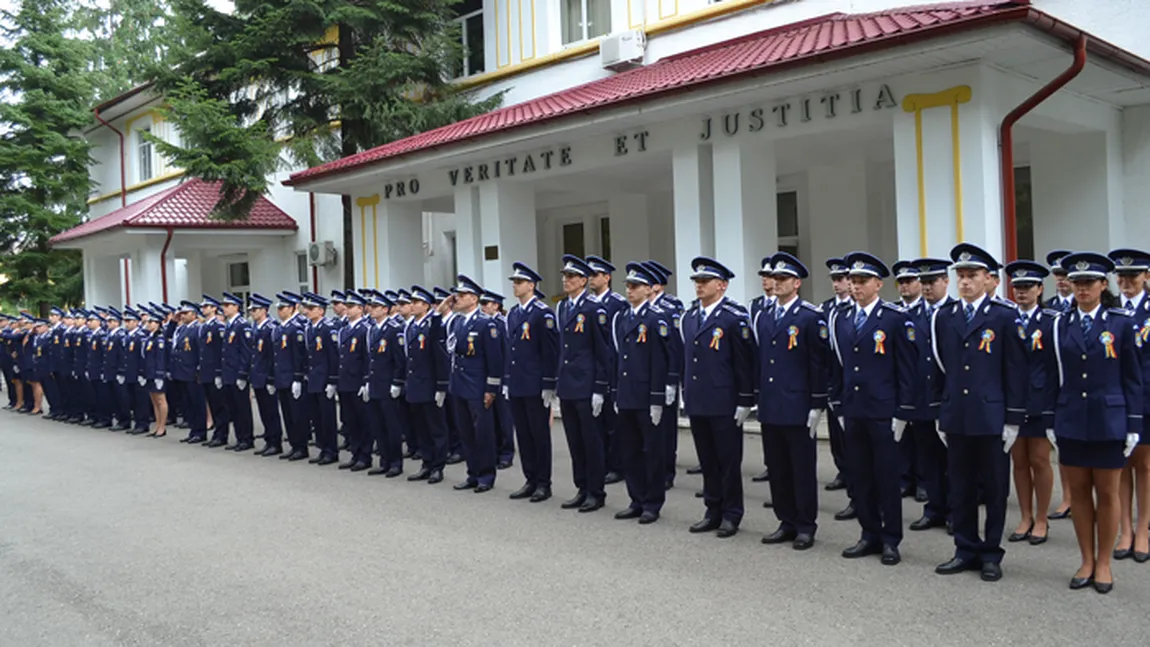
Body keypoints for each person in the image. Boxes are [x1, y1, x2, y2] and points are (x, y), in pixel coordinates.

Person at [931, 243, 1026, 582]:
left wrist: (1013, 418)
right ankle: (965, 548)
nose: (966, 282)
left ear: (989, 279)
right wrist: (942, 411)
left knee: (995, 488)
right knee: (960, 486)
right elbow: (942, 368)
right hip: (957, 414)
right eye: (962, 276)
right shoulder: (946, 316)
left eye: (972, 276)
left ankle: (991, 553)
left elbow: (1015, 370)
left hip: (991, 416)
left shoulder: (1004, 315)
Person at [1049, 252, 1142, 594]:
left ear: (1104, 284)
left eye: (1089, 283)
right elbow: (1051, 373)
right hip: (1071, 418)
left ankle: (1104, 562)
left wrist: (1133, 423)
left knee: (1107, 492)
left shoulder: (1121, 323)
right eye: (1077, 283)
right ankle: (1086, 559)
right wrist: (1050, 420)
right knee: (1080, 495)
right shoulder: (1059, 323)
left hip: (1109, 419)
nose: (1082, 289)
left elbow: (1132, 378)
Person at [829, 251, 915, 566]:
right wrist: (838, 404)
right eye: (852, 281)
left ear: (878, 284)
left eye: (862, 281)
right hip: (854, 411)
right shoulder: (843, 318)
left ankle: (891, 539)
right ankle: (868, 533)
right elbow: (839, 365)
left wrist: (903, 412)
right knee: (860, 475)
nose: (855, 287)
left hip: (883, 411)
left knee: (886, 478)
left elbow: (906, 369)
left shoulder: (893, 319)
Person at [755, 252, 829, 550]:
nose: (777, 283)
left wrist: (816, 404)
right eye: (775, 279)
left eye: (783, 279)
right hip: (772, 404)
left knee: (801, 468)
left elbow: (818, 363)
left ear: (796, 283)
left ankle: (805, 524)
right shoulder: (764, 315)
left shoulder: (809, 317)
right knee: (778, 467)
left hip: (798, 404)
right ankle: (785, 520)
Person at [682, 257, 754, 539]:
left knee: (727, 461)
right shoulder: (690, 317)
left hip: (724, 401)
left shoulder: (734, 317)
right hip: (699, 400)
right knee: (708, 460)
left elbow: (744, 362)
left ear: (721, 285)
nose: (699, 286)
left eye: (704, 282)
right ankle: (712, 510)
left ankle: (732, 513)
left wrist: (745, 399)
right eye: (696, 282)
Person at [611, 262, 671, 524]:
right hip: (627, 395)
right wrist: (616, 393)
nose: (630, 290)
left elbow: (662, 360)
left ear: (648, 289)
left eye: (635, 286)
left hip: (647, 396)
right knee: (630, 450)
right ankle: (636, 498)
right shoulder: (623, 317)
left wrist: (658, 398)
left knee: (652, 451)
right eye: (628, 286)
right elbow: (618, 358)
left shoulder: (657, 318)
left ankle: (652, 502)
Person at [1003, 260, 1058, 547]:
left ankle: (1041, 518)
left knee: (1040, 460)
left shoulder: (1051, 321)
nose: (1021, 292)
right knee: (1020, 461)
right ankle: (1025, 516)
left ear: (1040, 289)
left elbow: (1055, 366)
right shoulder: (1006, 319)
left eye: (1027, 287)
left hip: (1040, 400)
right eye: (1017, 287)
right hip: (1013, 400)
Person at [555, 255, 614, 512]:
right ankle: (582, 487)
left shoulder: (593, 308)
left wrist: (600, 387)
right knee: (575, 442)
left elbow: (604, 352)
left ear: (583, 280)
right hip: (569, 385)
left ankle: (596, 491)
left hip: (587, 385)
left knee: (592, 442)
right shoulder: (563, 308)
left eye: (571, 277)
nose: (566, 281)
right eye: (564, 277)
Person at [906, 258, 954, 533]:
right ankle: (934, 508)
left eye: (932, 282)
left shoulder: (954, 312)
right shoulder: (911, 315)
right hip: (920, 397)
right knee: (927, 458)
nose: (926, 288)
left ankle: (954, 511)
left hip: (947, 398)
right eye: (923, 282)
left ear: (945, 281)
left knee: (952, 462)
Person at [505, 262, 560, 503]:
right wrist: (507, 380)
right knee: (524, 435)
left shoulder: (542, 313)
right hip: (517, 383)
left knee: (539, 435)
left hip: (536, 384)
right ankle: (530, 479)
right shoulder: (513, 313)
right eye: (514, 283)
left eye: (519, 282)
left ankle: (543, 483)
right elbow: (510, 350)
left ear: (531, 285)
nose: (515, 287)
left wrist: (549, 384)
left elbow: (550, 352)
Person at [1108, 249, 1150, 563]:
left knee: (1145, 466)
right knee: (1120, 465)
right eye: (1121, 277)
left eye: (1132, 276)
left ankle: (1143, 528)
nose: (1126, 283)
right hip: (1118, 399)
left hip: (1147, 397)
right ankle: (1124, 529)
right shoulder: (1109, 308)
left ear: (1146, 276)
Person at [586, 255, 627, 486]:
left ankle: (617, 465)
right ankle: (602, 463)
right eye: (589, 275)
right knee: (597, 422)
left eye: (595, 275)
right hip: (594, 369)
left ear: (607, 277)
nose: (591, 279)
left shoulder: (617, 303)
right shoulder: (589, 304)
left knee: (613, 421)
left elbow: (617, 341)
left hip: (612, 368)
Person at [643, 261, 684, 491]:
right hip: (645, 380)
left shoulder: (670, 307)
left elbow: (675, 346)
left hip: (665, 376)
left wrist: (672, 379)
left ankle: (667, 470)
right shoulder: (640, 309)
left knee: (666, 427)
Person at [405, 285, 449, 484]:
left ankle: (437, 467)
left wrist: (441, 386)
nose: (411, 306)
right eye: (411, 302)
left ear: (425, 305)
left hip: (430, 384)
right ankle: (426, 462)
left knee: (436, 428)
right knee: (420, 428)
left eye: (415, 303)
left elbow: (440, 357)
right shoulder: (410, 326)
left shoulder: (433, 325)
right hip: (415, 384)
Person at [821, 259, 854, 513]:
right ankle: (843, 470)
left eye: (841, 278)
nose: (837, 284)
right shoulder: (827, 309)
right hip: (834, 379)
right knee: (837, 434)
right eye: (834, 279)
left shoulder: (856, 308)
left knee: (855, 440)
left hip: (855, 383)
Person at [892, 261, 925, 502]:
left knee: (923, 437)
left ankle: (924, 481)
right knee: (902, 436)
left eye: (909, 281)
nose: (904, 286)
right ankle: (904, 478)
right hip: (899, 383)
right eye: (901, 282)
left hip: (923, 382)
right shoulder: (894, 313)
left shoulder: (928, 311)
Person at [364, 290, 406, 477]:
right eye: (371, 306)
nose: (371, 310)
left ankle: (396, 462)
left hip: (388, 385)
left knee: (392, 426)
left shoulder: (394, 329)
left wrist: (397, 382)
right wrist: (366, 381)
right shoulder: (372, 329)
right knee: (377, 425)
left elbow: (399, 360)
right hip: (375, 384)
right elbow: (370, 359)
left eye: (375, 307)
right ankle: (384, 460)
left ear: (385, 309)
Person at [300, 292, 340, 466]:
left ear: (321, 311)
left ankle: (331, 450)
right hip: (313, 379)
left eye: (311, 308)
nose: (307, 311)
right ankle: (323, 447)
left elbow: (333, 356)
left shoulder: (327, 328)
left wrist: (332, 380)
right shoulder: (309, 327)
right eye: (306, 308)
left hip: (324, 379)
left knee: (327, 417)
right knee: (316, 416)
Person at [480, 290, 516, 469]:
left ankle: (507, 452)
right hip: (488, 377)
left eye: (487, 304)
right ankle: (494, 451)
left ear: (496, 305)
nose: (483, 307)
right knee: (491, 417)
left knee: (504, 417)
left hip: (502, 375)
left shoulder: (502, 323)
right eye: (482, 304)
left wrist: (506, 377)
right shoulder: (485, 323)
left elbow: (506, 352)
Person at [273, 292, 311, 461]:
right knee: (287, 413)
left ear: (293, 307)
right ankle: (294, 444)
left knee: (298, 414)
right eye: (279, 308)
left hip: (293, 377)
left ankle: (301, 446)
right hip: (281, 377)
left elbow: (299, 355)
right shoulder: (281, 327)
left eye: (283, 308)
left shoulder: (297, 327)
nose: (280, 311)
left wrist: (298, 377)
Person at [749, 262, 777, 485]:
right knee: (768, 429)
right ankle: (771, 467)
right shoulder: (756, 306)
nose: (766, 280)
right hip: (763, 374)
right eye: (764, 276)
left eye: (770, 276)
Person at [247, 294, 285, 456]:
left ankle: (275, 442)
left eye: (255, 310)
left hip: (266, 376)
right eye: (251, 310)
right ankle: (269, 439)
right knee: (263, 410)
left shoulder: (271, 328)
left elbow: (272, 356)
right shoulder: (256, 327)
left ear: (264, 310)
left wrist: (271, 377)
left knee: (271, 410)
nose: (252, 313)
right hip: (257, 375)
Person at [171, 302, 208, 444]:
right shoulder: (181, 329)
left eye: (186, 313)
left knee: (197, 403)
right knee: (188, 403)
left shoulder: (198, 329)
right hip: (181, 372)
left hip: (192, 372)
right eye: (182, 314)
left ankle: (200, 431)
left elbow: (200, 351)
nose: (183, 316)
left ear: (194, 314)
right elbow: (171, 339)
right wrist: (173, 322)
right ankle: (193, 430)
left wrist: (199, 369)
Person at [198, 295, 230, 448]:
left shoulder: (218, 326)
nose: (203, 309)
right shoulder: (204, 326)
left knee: (219, 405)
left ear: (214, 309)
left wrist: (218, 372)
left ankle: (222, 434)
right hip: (206, 371)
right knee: (212, 403)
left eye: (206, 307)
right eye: (203, 307)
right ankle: (217, 432)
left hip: (215, 371)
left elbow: (220, 351)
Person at [141, 311, 169, 438]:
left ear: (158, 324)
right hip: (149, 373)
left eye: (151, 322)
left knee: (161, 400)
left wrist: (160, 375)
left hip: (156, 373)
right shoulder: (150, 337)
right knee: (154, 400)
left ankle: (162, 427)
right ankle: (157, 425)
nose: (148, 324)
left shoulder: (160, 338)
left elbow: (161, 358)